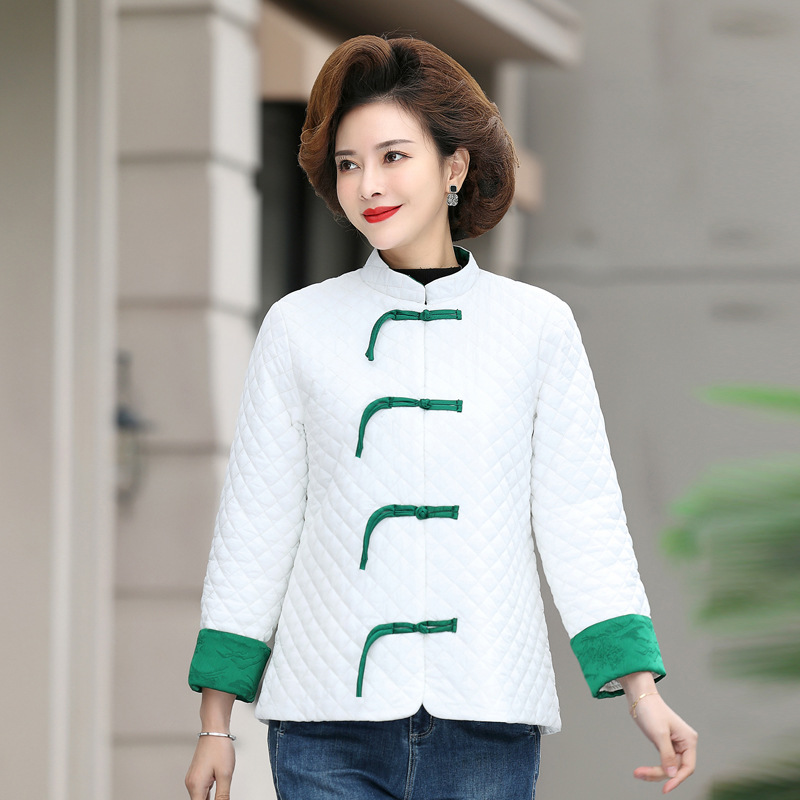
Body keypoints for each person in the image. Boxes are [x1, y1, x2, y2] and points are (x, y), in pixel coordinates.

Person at [185, 33, 697, 800]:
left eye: (393, 156)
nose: (368, 184)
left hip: (486, 716)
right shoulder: (297, 327)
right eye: (349, 164)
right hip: (325, 723)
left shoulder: (537, 327)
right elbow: (255, 525)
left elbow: (580, 514)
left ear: (454, 166)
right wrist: (215, 725)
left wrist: (641, 691)